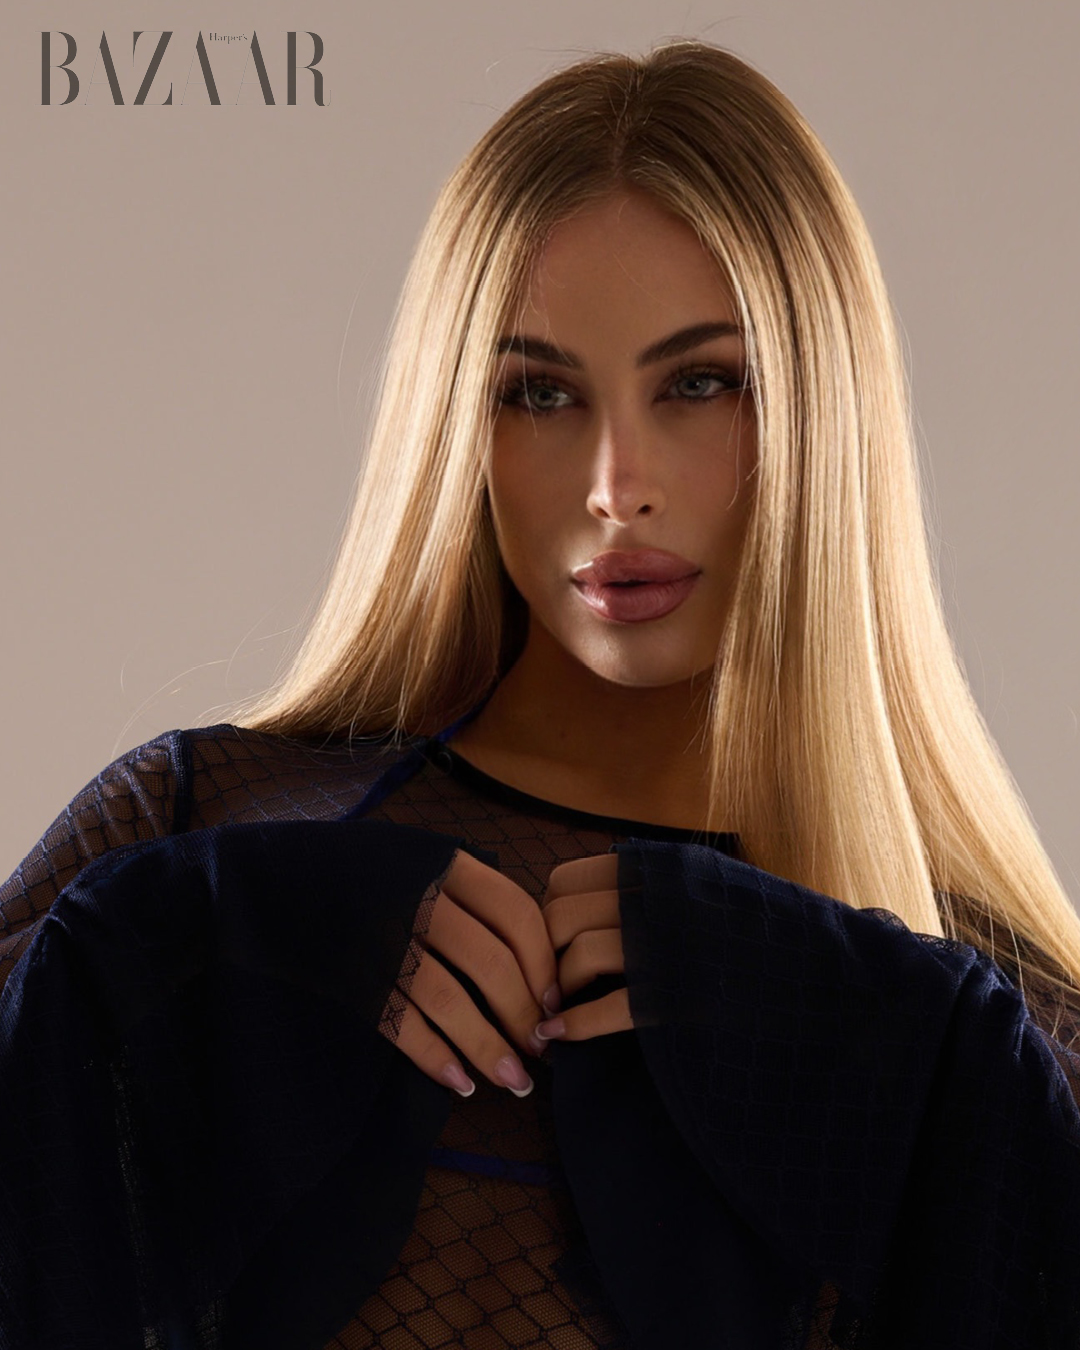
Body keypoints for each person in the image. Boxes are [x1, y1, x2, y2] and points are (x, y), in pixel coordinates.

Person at [2, 38, 1079, 1350]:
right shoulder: (187, 828)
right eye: (539, 393)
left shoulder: (992, 1022)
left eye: (702, 382)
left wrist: (932, 1068)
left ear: (827, 417)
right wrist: (144, 963)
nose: (617, 483)